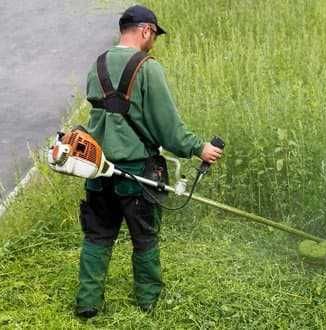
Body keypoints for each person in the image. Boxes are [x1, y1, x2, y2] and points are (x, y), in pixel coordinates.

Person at [74, 5, 223, 318]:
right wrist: (199, 148)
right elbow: (167, 126)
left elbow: (97, 116)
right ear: (144, 30)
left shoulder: (97, 64)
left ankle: (88, 302)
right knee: (144, 238)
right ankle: (148, 300)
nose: (153, 41)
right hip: (136, 173)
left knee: (98, 235)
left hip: (97, 168)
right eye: (154, 34)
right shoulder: (147, 67)